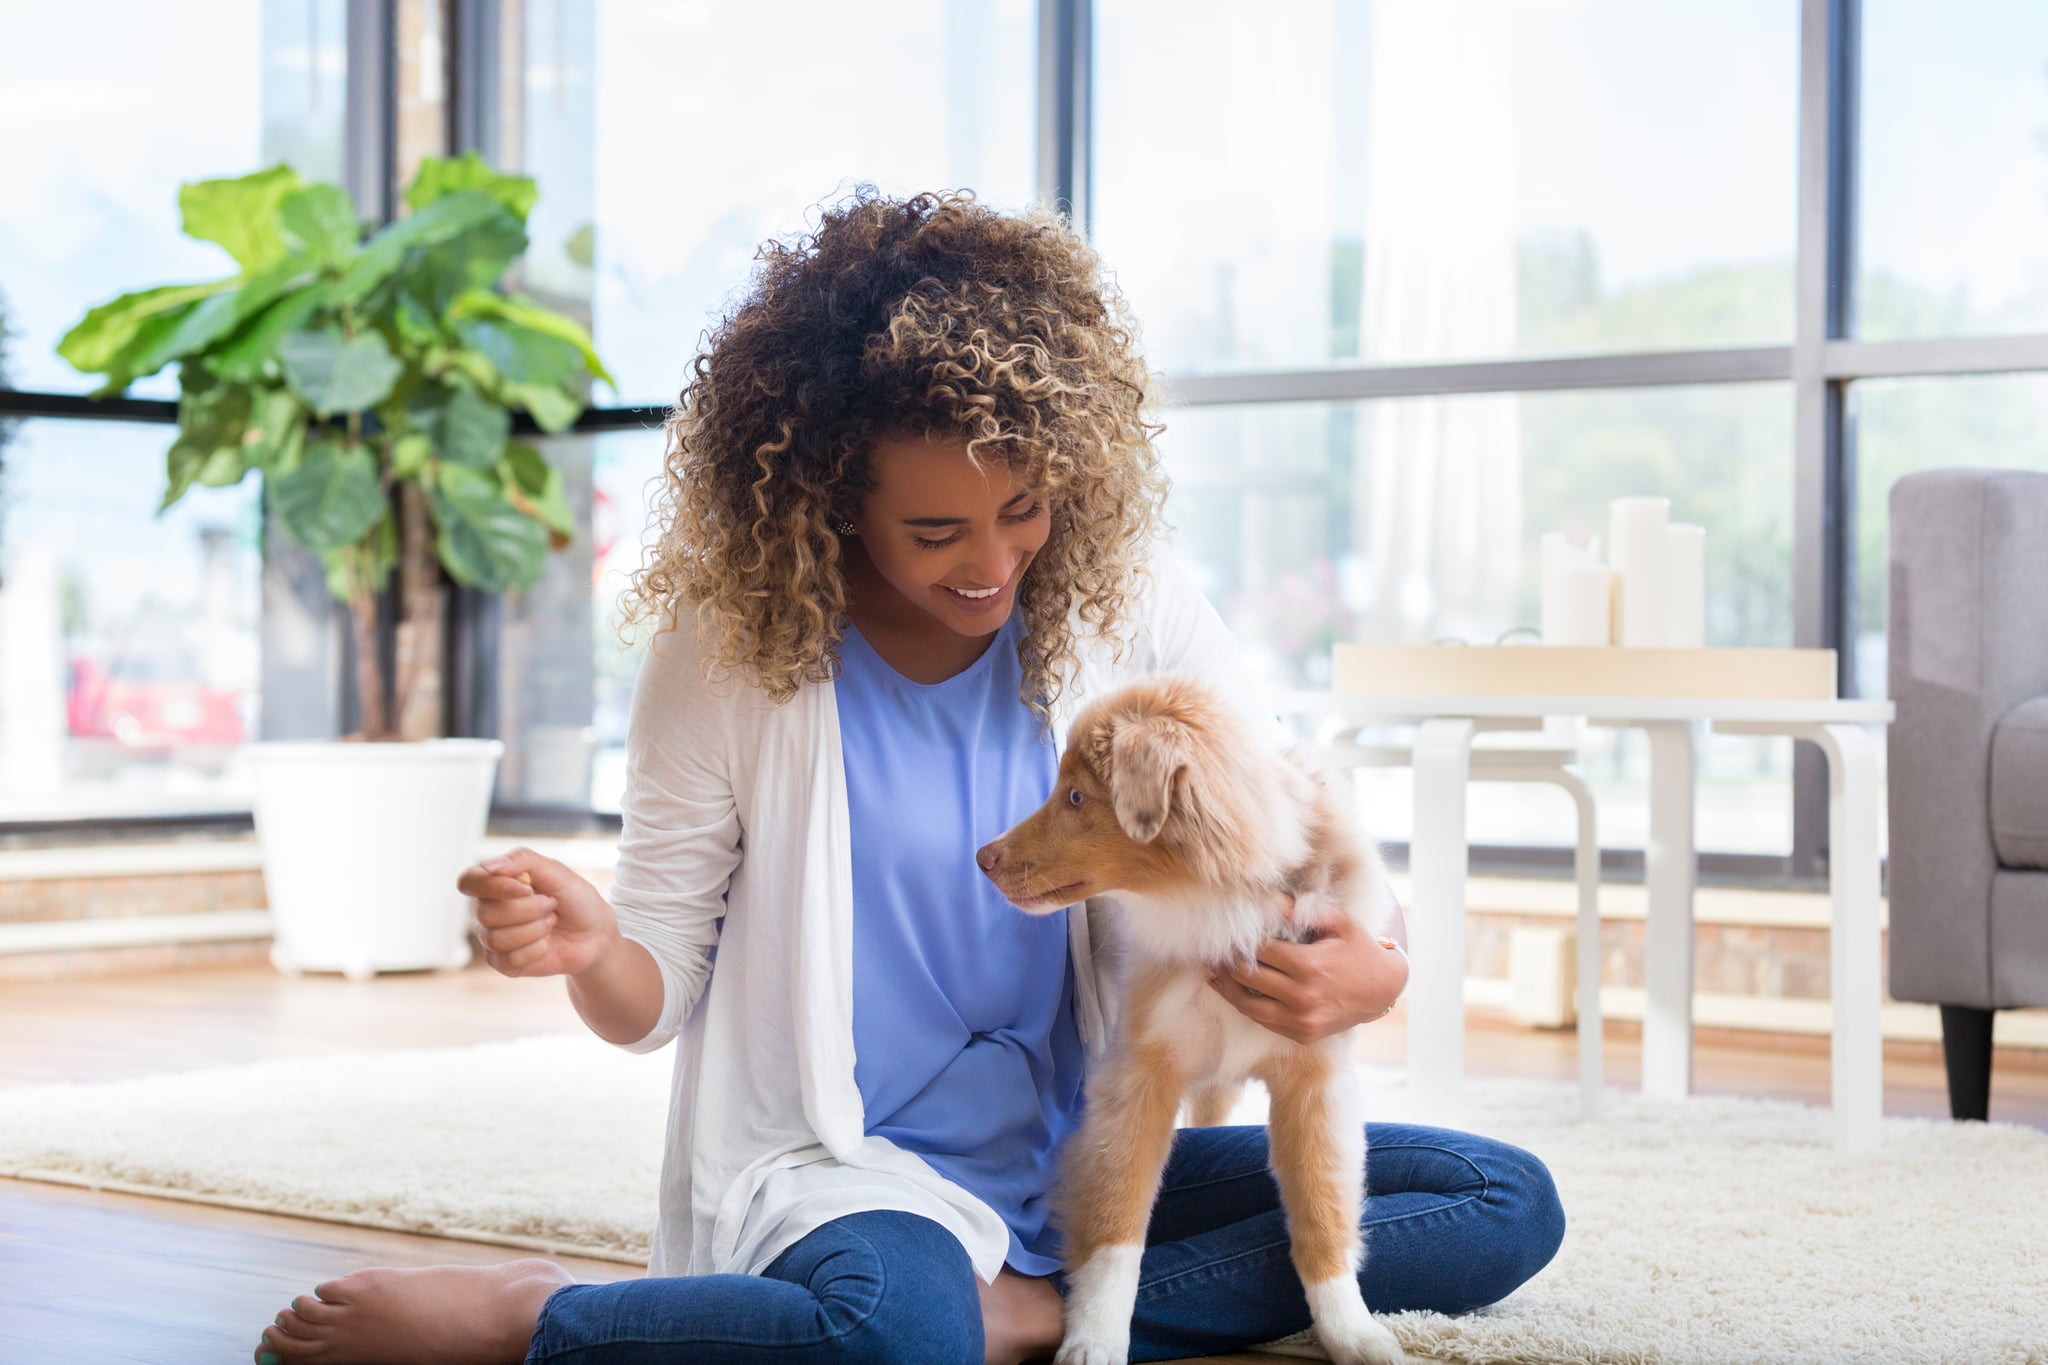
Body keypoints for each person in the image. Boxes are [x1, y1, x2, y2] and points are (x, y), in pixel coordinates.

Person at [252, 189, 1564, 1365]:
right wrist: (595, 941)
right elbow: (651, 994)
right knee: (893, 1331)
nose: (991, 564)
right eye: (935, 530)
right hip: (852, 1168)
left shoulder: (1134, 607)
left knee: (1496, 1202)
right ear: (831, 496)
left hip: (1088, 1145)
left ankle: (1046, 1309)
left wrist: (1374, 957)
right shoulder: (730, 656)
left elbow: (1294, 823)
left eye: (1024, 509)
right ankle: (535, 1315)